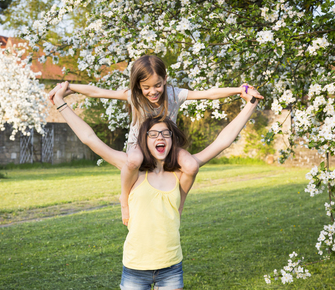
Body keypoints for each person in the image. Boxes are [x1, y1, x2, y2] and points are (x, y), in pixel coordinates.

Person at [52, 80, 261, 290]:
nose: (159, 137)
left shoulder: (181, 172)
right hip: (135, 268)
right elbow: (89, 138)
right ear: (144, 140)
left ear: (172, 139)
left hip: (171, 268)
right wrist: (61, 103)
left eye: (165, 133)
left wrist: (250, 104)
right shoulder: (132, 170)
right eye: (152, 134)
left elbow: (223, 141)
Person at [49, 55, 263, 226]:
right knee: (132, 162)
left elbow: (209, 94)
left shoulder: (174, 94)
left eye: (157, 85)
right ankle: (124, 200)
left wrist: (239, 90)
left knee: (190, 165)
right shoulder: (134, 96)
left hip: (168, 144)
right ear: (138, 86)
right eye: (147, 87)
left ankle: (178, 206)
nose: (153, 92)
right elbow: (96, 91)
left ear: (165, 80)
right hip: (139, 144)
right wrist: (69, 88)